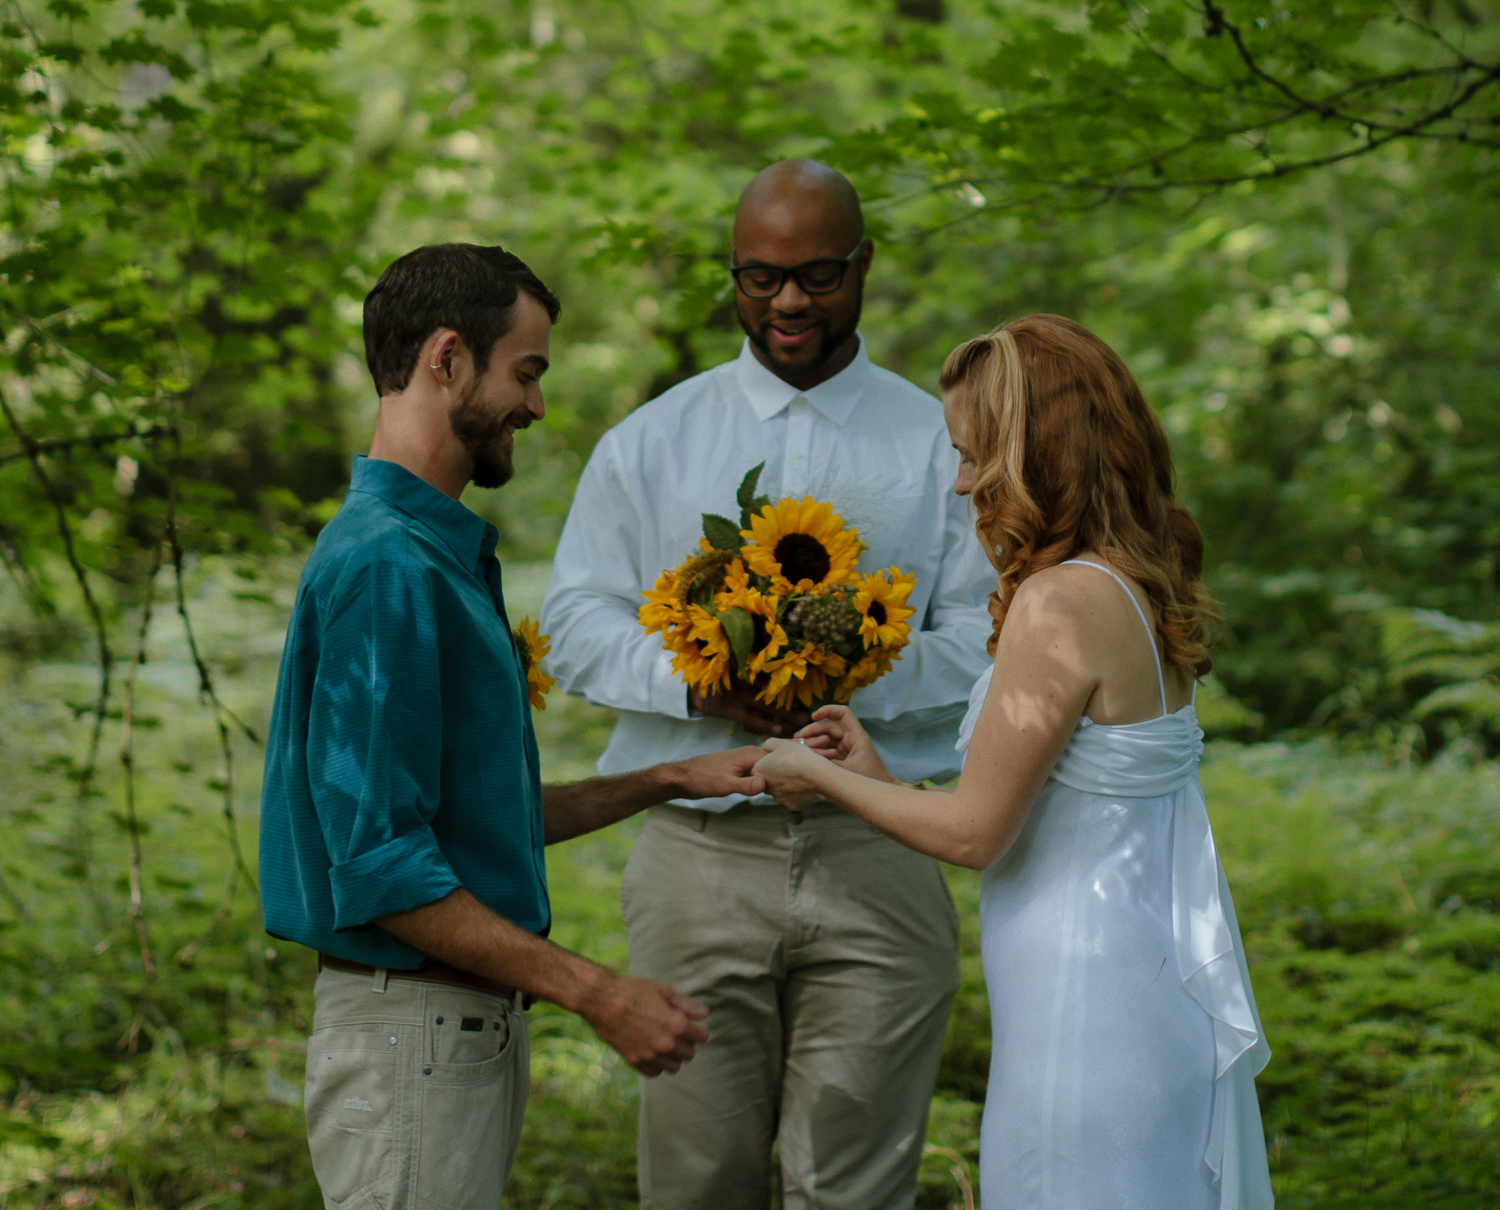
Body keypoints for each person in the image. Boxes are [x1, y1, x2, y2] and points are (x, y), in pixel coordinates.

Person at [259, 243, 766, 1210]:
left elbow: (460, 821)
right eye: (525, 372)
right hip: (410, 1035)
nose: (535, 405)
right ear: (446, 358)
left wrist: (665, 781)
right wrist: (598, 991)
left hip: (449, 1035)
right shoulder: (386, 567)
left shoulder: (432, 555)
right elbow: (382, 868)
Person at [540, 159, 992, 1210]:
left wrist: (852, 676)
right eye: (761, 276)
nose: (789, 301)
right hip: (699, 856)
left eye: (820, 274)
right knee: (696, 1182)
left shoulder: (943, 442)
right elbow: (573, 622)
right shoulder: (651, 440)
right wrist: (698, 685)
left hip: (878, 848)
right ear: (733, 275)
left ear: (865, 266)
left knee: (855, 1185)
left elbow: (989, 633)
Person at [757, 312, 1276, 1210]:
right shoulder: (1129, 582)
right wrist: (875, 777)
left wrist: (818, 778)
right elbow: (1044, 813)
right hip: (1134, 985)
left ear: (1038, 455)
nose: (960, 484)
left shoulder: (1058, 603)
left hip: (1089, 1009)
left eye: (973, 454)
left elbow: (977, 835)